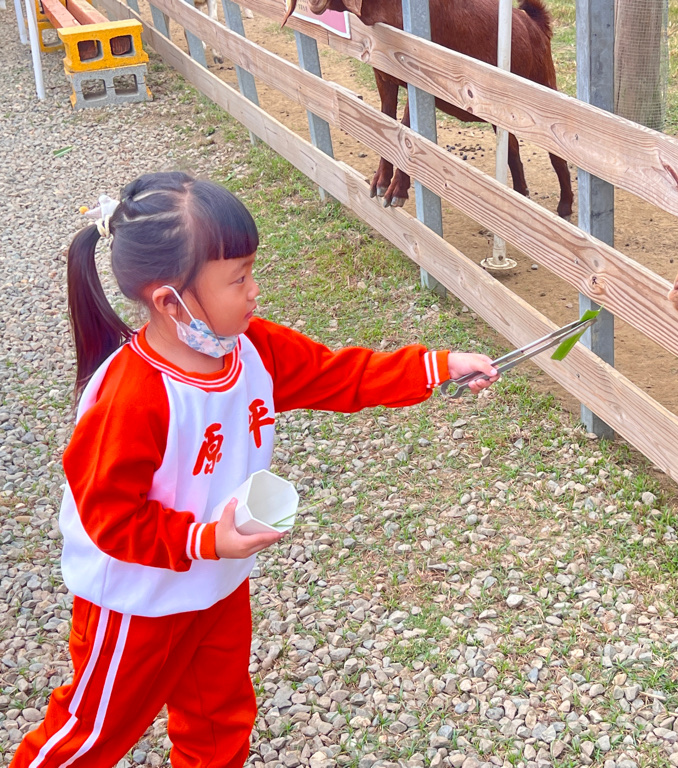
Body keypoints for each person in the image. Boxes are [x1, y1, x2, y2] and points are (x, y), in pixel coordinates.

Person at [12, 171, 499, 768]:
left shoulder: (250, 350)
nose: (253, 291)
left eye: (250, 272)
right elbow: (109, 518)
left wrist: (437, 366)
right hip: (138, 603)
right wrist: (204, 540)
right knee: (92, 735)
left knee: (218, 721)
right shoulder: (133, 397)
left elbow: (337, 375)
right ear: (169, 301)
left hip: (217, 585)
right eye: (237, 278)